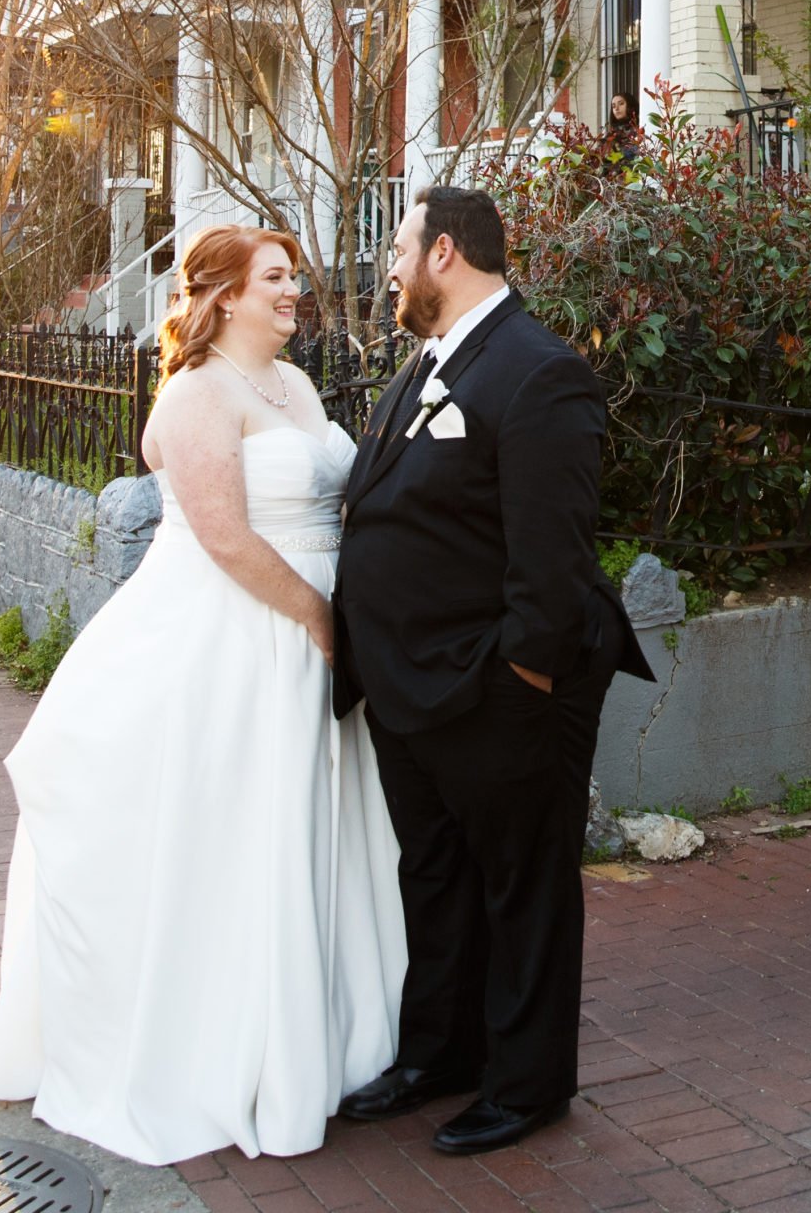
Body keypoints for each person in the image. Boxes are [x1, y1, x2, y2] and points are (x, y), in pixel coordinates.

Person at [0, 226, 403, 1165]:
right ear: (226, 293)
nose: (295, 292)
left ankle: (326, 1038)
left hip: (313, 635)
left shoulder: (297, 387)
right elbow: (226, 538)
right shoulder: (196, 393)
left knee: (304, 831)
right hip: (247, 636)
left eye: (295, 278)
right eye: (277, 279)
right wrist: (321, 623)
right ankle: (217, 1051)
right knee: (239, 832)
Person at [329, 184, 655, 1156]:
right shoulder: (424, 364)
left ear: (444, 252)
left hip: (497, 687)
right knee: (435, 876)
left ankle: (528, 1084)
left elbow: (550, 561)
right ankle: (442, 1052)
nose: (387, 265)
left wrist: (523, 681)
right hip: (410, 688)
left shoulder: (538, 370)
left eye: (397, 246)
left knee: (525, 887)